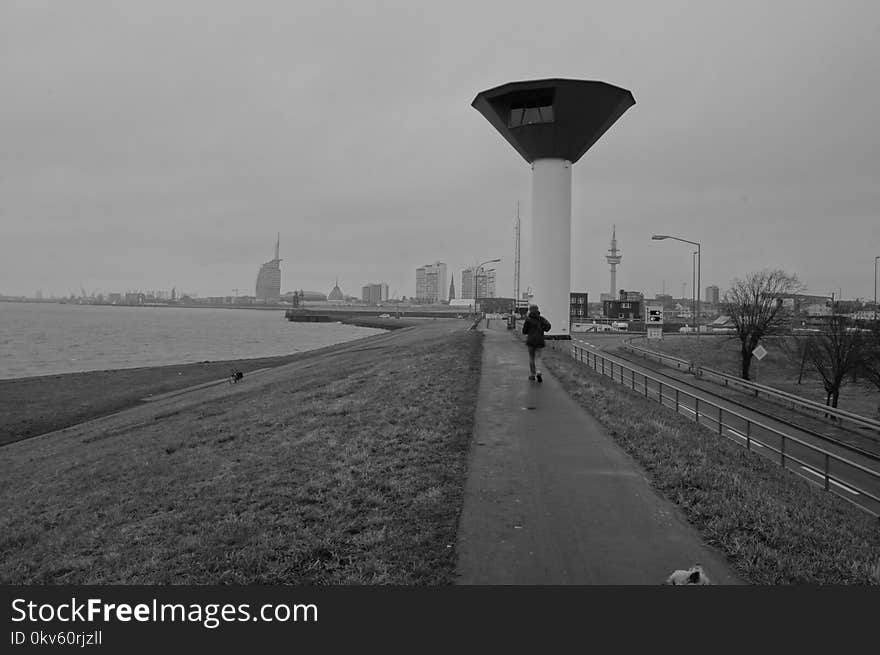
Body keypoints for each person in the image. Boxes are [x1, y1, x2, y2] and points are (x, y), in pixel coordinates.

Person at [521, 304, 551, 382]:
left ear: (530, 310)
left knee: (531, 358)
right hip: (540, 341)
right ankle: (539, 372)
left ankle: (532, 374)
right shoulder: (541, 319)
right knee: (538, 357)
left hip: (531, 341)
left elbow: (524, 331)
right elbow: (548, 326)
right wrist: (542, 328)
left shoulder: (528, 320)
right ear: (537, 310)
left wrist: (529, 330)